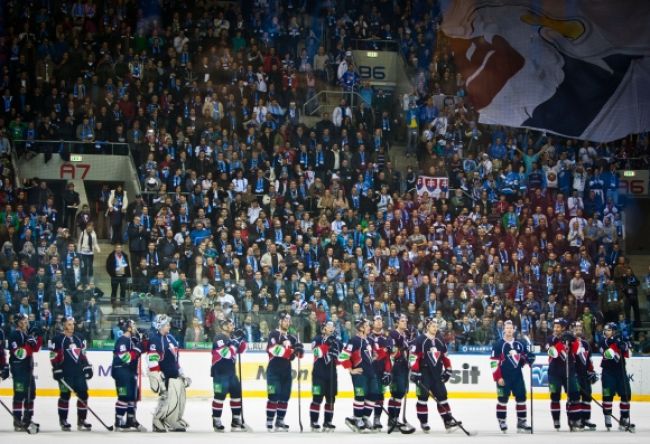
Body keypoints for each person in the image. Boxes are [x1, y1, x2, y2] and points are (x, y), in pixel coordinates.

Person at [409, 318, 461, 433]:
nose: (435, 327)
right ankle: (424, 422)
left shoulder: (440, 340)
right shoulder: (419, 340)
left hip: (437, 374)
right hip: (424, 373)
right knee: (422, 399)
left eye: (436, 325)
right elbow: (413, 357)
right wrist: (415, 371)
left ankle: (448, 422)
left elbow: (445, 357)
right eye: (433, 325)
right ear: (427, 326)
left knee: (442, 397)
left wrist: (448, 369)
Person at [147, 314, 191, 432]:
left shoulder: (171, 337)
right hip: (164, 373)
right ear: (159, 326)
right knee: (165, 397)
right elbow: (152, 359)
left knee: (177, 398)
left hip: (174, 372)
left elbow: (175, 358)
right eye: (166, 324)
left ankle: (172, 420)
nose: (169, 326)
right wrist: (156, 375)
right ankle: (157, 420)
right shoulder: (154, 339)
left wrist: (181, 373)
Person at [50, 316, 94, 431]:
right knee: (65, 396)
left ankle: (82, 420)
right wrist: (56, 368)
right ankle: (63, 420)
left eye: (73, 324)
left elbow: (83, 355)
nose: (72, 326)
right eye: (69, 324)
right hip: (65, 373)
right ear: (64, 325)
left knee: (83, 395)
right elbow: (53, 356)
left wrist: (87, 367)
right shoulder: (58, 339)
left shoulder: (79, 338)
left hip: (78, 373)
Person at [489, 320, 534, 433]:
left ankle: (522, 422)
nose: (509, 330)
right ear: (504, 329)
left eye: (511, 328)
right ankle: (502, 420)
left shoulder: (520, 344)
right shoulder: (498, 345)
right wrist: (498, 377)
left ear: (514, 330)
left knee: (521, 398)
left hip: (517, 376)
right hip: (504, 377)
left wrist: (530, 359)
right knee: (502, 399)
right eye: (507, 328)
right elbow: (493, 363)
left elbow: (523, 361)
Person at [265, 311, 304, 432]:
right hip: (273, 371)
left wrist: (299, 349)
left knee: (284, 397)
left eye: (288, 321)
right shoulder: (273, 334)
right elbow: (274, 350)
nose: (287, 322)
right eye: (285, 320)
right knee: (273, 396)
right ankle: (269, 420)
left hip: (286, 372)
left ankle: (280, 420)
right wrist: (291, 352)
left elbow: (299, 356)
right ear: (280, 321)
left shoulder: (292, 337)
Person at [339, 318, 377, 433]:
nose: (369, 327)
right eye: (367, 325)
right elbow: (343, 357)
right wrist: (351, 370)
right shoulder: (354, 341)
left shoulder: (369, 340)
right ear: (361, 328)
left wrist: (374, 356)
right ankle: (357, 419)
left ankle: (364, 419)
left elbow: (370, 355)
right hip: (360, 374)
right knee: (360, 396)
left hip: (371, 373)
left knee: (374, 395)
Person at [210, 318, 248, 432]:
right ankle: (216, 419)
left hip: (231, 373)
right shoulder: (219, 338)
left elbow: (241, 350)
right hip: (220, 373)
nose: (232, 325)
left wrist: (242, 340)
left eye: (232, 324)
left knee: (236, 395)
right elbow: (226, 354)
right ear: (224, 326)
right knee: (219, 397)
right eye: (230, 324)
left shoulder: (231, 338)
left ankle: (236, 420)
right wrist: (236, 342)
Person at [545, 318, 581, 431]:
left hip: (569, 372)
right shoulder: (550, 339)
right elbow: (553, 353)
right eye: (555, 326)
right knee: (555, 397)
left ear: (563, 328)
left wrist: (574, 340)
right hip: (554, 373)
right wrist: (561, 342)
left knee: (574, 396)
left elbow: (578, 351)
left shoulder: (570, 338)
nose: (555, 329)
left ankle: (574, 420)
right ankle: (556, 420)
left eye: (558, 327)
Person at [111, 318, 147, 431]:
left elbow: (141, 349)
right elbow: (125, 357)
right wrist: (137, 349)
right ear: (129, 328)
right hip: (121, 371)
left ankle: (131, 420)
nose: (135, 327)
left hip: (130, 371)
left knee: (133, 396)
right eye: (133, 325)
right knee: (124, 396)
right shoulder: (122, 340)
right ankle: (118, 421)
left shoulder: (132, 340)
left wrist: (145, 342)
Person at [8, 314, 42, 431]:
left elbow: (36, 349)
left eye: (26, 321)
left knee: (31, 394)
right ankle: (17, 421)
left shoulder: (26, 334)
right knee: (19, 394)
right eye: (24, 321)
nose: (26, 323)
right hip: (19, 369)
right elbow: (18, 353)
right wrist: (28, 344)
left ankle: (27, 419)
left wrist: (39, 336)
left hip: (28, 369)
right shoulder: (14, 335)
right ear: (18, 323)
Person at [599, 322, 635, 431]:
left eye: (609, 330)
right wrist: (616, 344)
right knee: (608, 397)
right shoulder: (603, 342)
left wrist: (625, 346)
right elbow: (608, 354)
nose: (606, 332)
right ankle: (607, 418)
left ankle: (624, 418)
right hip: (608, 372)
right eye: (606, 330)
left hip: (621, 372)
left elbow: (629, 353)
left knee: (626, 396)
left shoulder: (621, 340)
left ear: (614, 331)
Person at [309, 320, 341, 432]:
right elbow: (316, 353)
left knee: (331, 399)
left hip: (332, 374)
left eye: (333, 326)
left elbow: (341, 359)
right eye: (329, 325)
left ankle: (328, 422)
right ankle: (314, 421)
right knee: (317, 398)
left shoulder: (338, 342)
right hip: (318, 374)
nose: (331, 327)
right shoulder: (317, 339)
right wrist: (327, 346)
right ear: (324, 328)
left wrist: (336, 354)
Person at [387, 314, 415, 432]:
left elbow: (411, 348)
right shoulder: (393, 334)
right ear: (397, 322)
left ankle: (396, 419)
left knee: (400, 393)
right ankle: (391, 421)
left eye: (406, 321)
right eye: (402, 321)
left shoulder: (407, 334)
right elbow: (392, 350)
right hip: (396, 366)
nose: (405, 322)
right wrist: (402, 350)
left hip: (405, 367)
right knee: (396, 392)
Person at [571, 321, 598, 430]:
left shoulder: (586, 344)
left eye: (580, 330)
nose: (578, 331)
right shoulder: (570, 343)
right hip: (575, 375)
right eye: (576, 329)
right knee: (575, 397)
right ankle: (576, 420)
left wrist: (591, 371)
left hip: (584, 375)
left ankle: (585, 419)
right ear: (573, 331)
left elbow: (589, 360)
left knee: (587, 396)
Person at [368, 314, 392, 431]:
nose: (378, 322)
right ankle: (364, 418)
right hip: (369, 371)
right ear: (372, 322)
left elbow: (387, 357)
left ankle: (377, 419)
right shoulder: (367, 337)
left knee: (380, 396)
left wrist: (387, 371)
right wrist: (381, 351)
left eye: (380, 320)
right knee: (369, 395)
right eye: (376, 320)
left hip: (381, 371)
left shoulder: (386, 338)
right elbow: (374, 354)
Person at [105, 244, 131, 308]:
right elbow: (108, 266)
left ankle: (122, 304)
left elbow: (127, 266)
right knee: (114, 291)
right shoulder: (111, 256)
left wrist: (128, 276)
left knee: (123, 291)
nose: (119, 249)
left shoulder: (124, 256)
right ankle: (113, 304)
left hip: (123, 277)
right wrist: (112, 274)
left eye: (120, 248)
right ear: (115, 249)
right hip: (115, 277)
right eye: (117, 248)